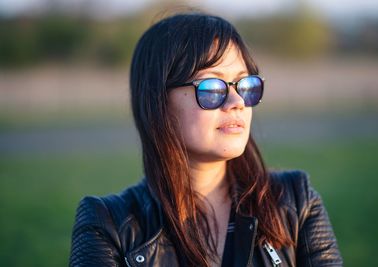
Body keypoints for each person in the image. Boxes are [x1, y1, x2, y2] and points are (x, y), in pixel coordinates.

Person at [69, 12, 343, 267]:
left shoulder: (295, 202)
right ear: (158, 103)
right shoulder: (108, 226)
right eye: (212, 87)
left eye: (244, 85)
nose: (237, 102)